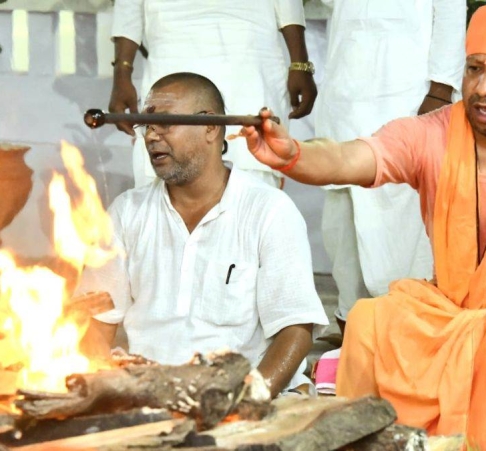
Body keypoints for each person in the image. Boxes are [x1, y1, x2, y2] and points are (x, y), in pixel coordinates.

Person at [239, 3, 486, 448]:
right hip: (455, 311)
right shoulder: (433, 132)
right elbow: (352, 158)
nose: (484, 88)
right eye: (474, 69)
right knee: (370, 320)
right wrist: (292, 153)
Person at [79, 72, 328, 397]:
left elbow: (296, 328)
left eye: (164, 123)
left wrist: (248, 400)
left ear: (210, 127)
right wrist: (98, 389)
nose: (152, 136)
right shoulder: (127, 213)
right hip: (145, 394)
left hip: (240, 396)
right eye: (147, 125)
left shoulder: (268, 210)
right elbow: (95, 323)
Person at [315, 0, 466, 333]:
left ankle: (405, 330)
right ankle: (352, 330)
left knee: (402, 222)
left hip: (407, 96)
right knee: (343, 224)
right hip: (345, 93)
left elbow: (451, 12)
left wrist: (440, 90)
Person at [108, 0, 317, 188]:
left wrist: (300, 64)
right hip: (171, 47)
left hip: (250, 55)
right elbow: (128, 6)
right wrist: (122, 73)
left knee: (252, 168)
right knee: (164, 164)